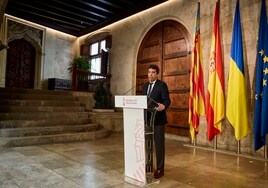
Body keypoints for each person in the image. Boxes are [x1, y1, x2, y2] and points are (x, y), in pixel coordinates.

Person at [142, 64, 171, 179]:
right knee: (147, 144)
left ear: (157, 74)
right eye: (149, 72)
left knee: (159, 145)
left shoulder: (162, 85)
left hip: (158, 120)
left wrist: (163, 105)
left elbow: (167, 100)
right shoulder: (145, 86)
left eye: (153, 72)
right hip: (147, 120)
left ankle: (160, 169)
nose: (150, 74)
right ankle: (148, 166)